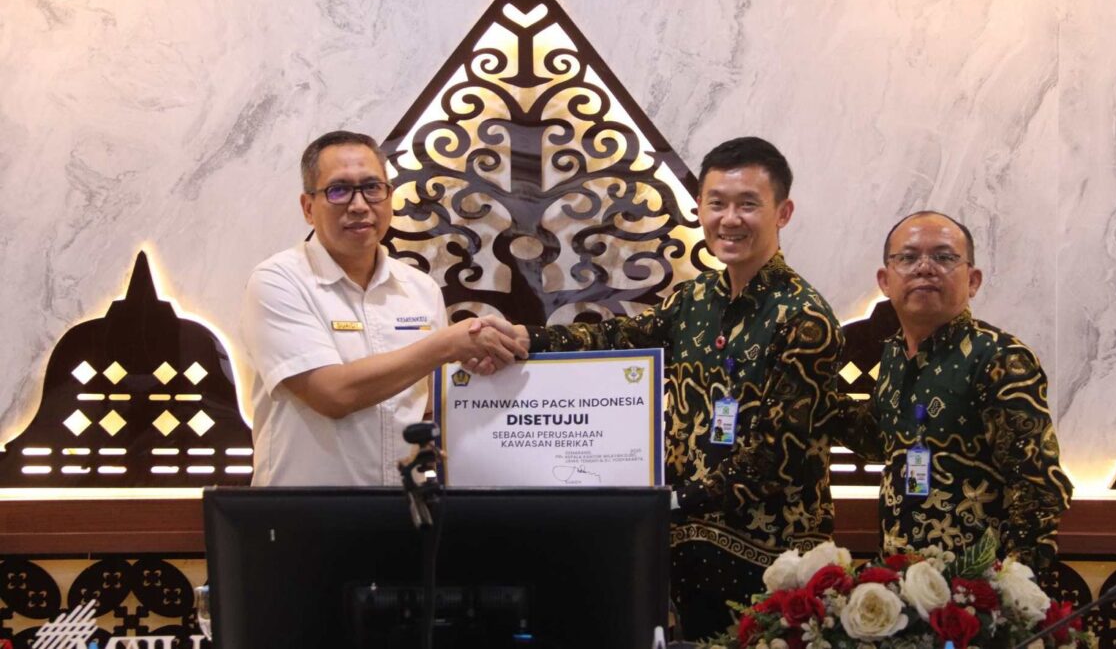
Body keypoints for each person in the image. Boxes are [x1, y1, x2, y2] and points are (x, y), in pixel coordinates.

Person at [473, 137, 843, 639]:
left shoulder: (805, 318)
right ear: (700, 209)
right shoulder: (695, 298)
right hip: (688, 549)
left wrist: (667, 502)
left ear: (783, 212)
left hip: (774, 564)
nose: (730, 219)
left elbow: (778, 458)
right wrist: (527, 338)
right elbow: (616, 338)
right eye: (717, 203)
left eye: (748, 204)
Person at [240, 130, 526, 487]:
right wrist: (449, 345)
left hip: (408, 506)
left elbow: (426, 404)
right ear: (308, 208)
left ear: (390, 197)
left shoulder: (419, 289)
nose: (359, 205)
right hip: (308, 510)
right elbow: (333, 394)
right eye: (339, 190)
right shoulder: (278, 281)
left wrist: (482, 362)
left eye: (372, 187)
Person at [832, 211, 1073, 569]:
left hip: (974, 587)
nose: (925, 268)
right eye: (908, 258)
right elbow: (879, 439)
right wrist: (804, 397)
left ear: (973, 281)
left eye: (944, 257)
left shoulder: (998, 358)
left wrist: (1012, 583)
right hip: (900, 582)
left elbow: (1038, 489)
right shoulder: (894, 354)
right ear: (885, 281)